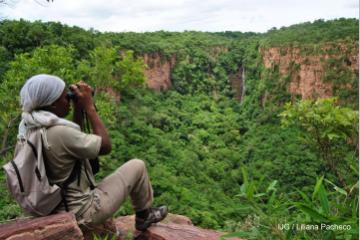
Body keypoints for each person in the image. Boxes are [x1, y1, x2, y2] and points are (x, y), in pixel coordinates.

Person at [18, 74, 167, 231]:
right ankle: (144, 216)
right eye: (64, 97)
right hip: (82, 212)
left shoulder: (28, 130)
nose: (68, 100)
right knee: (137, 166)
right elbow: (105, 146)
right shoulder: (59, 132)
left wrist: (77, 109)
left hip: (50, 209)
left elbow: (75, 142)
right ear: (52, 104)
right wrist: (89, 107)